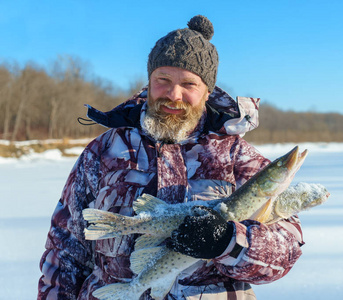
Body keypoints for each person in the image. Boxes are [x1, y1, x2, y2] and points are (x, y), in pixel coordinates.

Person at [38, 15, 304, 300]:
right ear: (149, 82)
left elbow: (286, 250)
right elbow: (64, 249)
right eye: (163, 80)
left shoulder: (237, 156)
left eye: (189, 84)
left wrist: (228, 242)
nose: (173, 94)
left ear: (207, 92)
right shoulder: (103, 152)